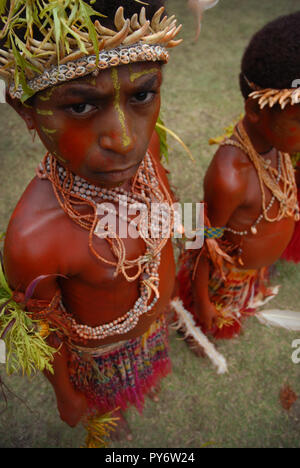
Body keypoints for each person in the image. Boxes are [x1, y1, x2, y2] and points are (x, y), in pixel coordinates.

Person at [0, 0, 182, 441]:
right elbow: (44, 332)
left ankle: (139, 379)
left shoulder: (148, 153)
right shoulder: (35, 240)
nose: (124, 139)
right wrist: (65, 392)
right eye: (81, 106)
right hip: (101, 356)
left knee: (144, 372)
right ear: (26, 110)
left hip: (152, 327)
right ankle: (113, 405)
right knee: (110, 398)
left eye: (142, 96)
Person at [177, 12, 300, 340]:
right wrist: (202, 301)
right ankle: (195, 321)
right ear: (256, 111)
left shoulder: (280, 142)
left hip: (253, 270)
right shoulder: (230, 177)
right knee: (213, 322)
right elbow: (203, 241)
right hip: (226, 277)